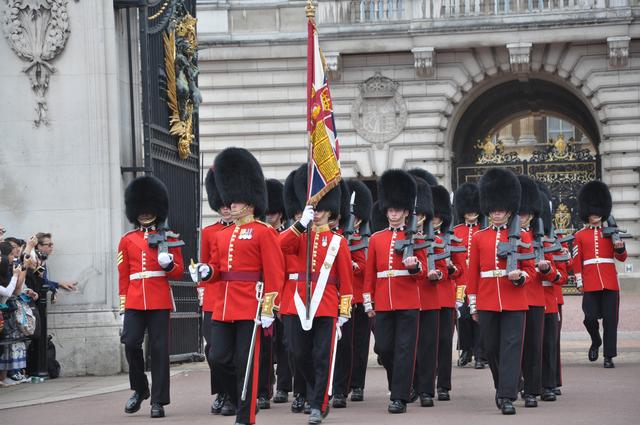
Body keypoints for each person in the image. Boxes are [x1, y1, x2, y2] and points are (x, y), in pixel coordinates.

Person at [195, 147, 284, 425]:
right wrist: (206, 272)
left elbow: (274, 272)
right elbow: (217, 270)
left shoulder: (264, 232)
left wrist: (269, 307)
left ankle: (245, 415)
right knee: (218, 356)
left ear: (249, 202)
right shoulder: (222, 235)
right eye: (228, 200)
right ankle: (235, 395)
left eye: (234, 201)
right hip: (223, 306)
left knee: (248, 361)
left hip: (251, 305)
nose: (229, 204)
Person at [280, 172, 353, 425]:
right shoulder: (298, 236)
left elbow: (346, 281)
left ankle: (318, 405)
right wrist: (300, 225)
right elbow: (279, 246)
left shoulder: (338, 242)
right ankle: (316, 391)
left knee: (322, 356)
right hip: (297, 304)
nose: (319, 212)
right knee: (298, 354)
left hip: (326, 305)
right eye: (314, 207)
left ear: (330, 211)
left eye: (323, 208)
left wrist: (344, 312)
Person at [467, 168, 536, 415]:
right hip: (486, 300)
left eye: (500, 209)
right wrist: (473, 305)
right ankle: (503, 384)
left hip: (515, 299)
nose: (496, 213)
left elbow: (531, 268)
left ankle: (507, 396)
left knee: (511, 347)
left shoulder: (522, 235)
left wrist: (521, 277)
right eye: (493, 209)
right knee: (491, 348)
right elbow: (472, 273)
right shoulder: (479, 238)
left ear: (508, 210)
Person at [363, 170, 429, 414]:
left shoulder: (416, 237)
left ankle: (399, 397)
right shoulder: (376, 239)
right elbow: (370, 273)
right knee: (384, 348)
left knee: (404, 349)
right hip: (383, 301)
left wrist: (414, 268)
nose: (393, 213)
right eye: (390, 210)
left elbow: (421, 272)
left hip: (408, 300)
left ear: (404, 211)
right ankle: (402, 386)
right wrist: (368, 301)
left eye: (397, 210)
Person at [118, 175, 185, 418]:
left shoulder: (170, 237)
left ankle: (158, 400)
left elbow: (179, 271)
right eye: (141, 210)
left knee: (159, 350)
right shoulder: (127, 240)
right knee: (131, 342)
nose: (145, 214)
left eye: (149, 209)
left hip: (158, 299)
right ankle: (139, 389)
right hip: (135, 299)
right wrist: (122, 306)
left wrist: (167, 266)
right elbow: (123, 275)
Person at [574, 180, 627, 369]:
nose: (595, 213)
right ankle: (596, 341)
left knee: (611, 320)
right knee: (589, 318)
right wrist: (579, 281)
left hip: (609, 282)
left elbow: (621, 258)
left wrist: (620, 248)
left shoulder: (611, 232)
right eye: (592, 209)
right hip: (590, 282)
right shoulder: (580, 235)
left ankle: (609, 356)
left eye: (598, 209)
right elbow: (576, 261)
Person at [409, 176, 447, 408]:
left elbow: (443, 268)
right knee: (406, 345)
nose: (419, 220)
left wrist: (438, 274)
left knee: (427, 346)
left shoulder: (437, 241)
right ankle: (411, 383)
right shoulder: (400, 239)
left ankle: (426, 390)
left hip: (430, 299)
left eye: (421, 216)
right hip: (408, 299)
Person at [518, 175, 556, 408]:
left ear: (532, 215)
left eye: (524, 214)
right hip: (511, 298)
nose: (521, 217)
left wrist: (546, 269)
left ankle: (532, 388)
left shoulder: (542, 240)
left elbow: (557, 275)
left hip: (534, 299)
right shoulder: (505, 237)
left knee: (534, 346)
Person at [333, 178, 372, 406]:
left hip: (357, 298)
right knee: (342, 345)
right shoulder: (336, 237)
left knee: (359, 345)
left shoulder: (361, 238)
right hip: (336, 299)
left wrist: (355, 266)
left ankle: (357, 384)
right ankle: (340, 387)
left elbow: (368, 266)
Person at [199, 168, 234, 415]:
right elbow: (203, 264)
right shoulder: (209, 232)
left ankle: (234, 392)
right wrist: (201, 290)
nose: (225, 208)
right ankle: (221, 391)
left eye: (228, 203)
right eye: (220, 204)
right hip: (213, 297)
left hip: (236, 295)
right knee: (213, 350)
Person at [279, 166, 309, 414]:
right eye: (298, 214)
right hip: (291, 298)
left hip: (317, 296)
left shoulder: (323, 236)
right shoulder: (291, 234)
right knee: (294, 349)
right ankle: (299, 391)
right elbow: (281, 250)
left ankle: (312, 390)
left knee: (312, 349)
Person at [257, 178, 288, 408]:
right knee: (267, 342)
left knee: (286, 343)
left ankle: (285, 386)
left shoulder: (288, 233)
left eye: (274, 212)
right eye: (267, 211)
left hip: (286, 293)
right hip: (265, 293)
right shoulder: (261, 233)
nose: (270, 215)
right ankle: (266, 383)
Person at [431, 185, 464, 402]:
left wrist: (451, 269)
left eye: (436, 217)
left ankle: (443, 385)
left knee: (444, 342)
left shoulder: (451, 241)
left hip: (444, 297)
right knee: (424, 343)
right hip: (422, 298)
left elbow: (462, 271)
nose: (433, 220)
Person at [451, 183, 485, 369]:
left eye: (474, 210)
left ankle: (481, 354)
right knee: (463, 317)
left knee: (478, 318)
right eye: (468, 210)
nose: (471, 213)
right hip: (461, 283)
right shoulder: (456, 231)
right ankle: (466, 349)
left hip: (480, 282)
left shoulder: (484, 229)